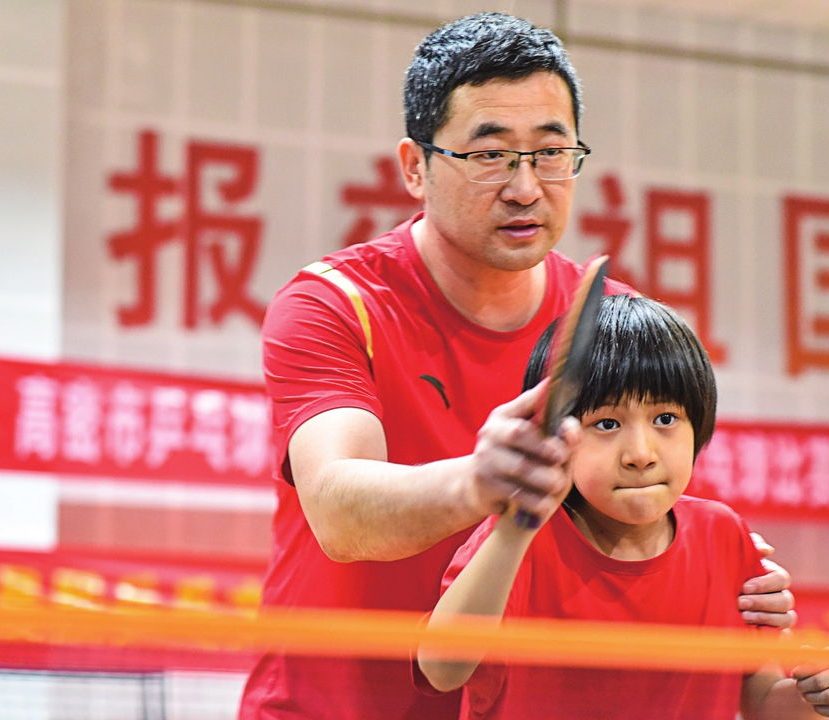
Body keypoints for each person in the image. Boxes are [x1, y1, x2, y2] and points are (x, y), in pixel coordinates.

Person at [244, 13, 796, 720]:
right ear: (415, 167)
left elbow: (643, 515)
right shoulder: (334, 305)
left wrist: (737, 585)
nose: (526, 187)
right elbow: (340, 513)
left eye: (551, 153)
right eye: (490, 155)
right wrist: (481, 481)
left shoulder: (606, 320)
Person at [417, 295, 829, 720]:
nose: (640, 453)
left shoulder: (722, 534)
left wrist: (812, 698)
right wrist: (512, 534)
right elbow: (442, 670)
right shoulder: (518, 538)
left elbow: (760, 698)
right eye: (606, 423)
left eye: (665, 419)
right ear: (554, 435)